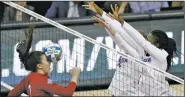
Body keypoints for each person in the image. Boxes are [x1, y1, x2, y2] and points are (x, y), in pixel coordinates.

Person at [83, 2, 176, 96]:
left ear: (157, 44)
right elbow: (123, 37)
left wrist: (121, 22)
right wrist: (103, 15)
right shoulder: (142, 54)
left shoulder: (161, 56)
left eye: (149, 38)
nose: (146, 40)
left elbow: (139, 39)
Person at [8, 25, 81, 96]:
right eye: (47, 60)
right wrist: (75, 75)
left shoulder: (29, 78)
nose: (50, 62)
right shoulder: (42, 81)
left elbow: (11, 94)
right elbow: (67, 93)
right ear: (39, 66)